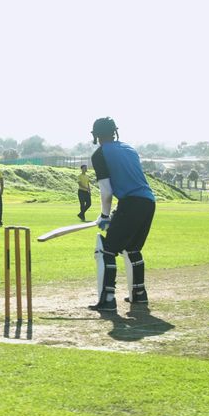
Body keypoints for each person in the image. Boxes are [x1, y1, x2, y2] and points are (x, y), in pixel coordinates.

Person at [88, 117, 156, 311]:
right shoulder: (129, 149)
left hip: (131, 202)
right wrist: (114, 214)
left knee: (107, 250)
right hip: (148, 202)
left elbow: (106, 191)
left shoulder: (100, 154)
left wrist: (104, 215)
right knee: (132, 249)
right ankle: (139, 295)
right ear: (114, 132)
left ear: (97, 135)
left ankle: (107, 299)